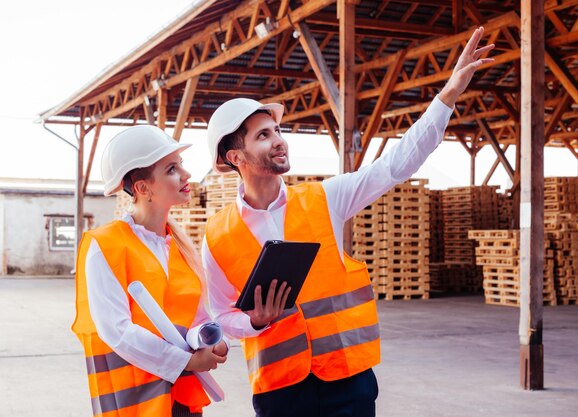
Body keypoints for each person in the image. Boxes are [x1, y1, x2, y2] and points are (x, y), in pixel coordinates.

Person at [202, 27, 494, 417]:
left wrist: (448, 95)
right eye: (263, 135)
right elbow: (220, 315)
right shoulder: (217, 235)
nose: (279, 140)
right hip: (280, 390)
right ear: (236, 158)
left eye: (277, 131)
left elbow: (395, 166)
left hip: (348, 381)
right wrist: (254, 322)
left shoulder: (326, 197)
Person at [72, 125, 228, 417]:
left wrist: (214, 341)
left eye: (180, 165)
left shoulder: (179, 248)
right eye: (171, 169)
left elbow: (195, 317)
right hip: (134, 402)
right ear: (143, 189)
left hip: (180, 398)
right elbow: (115, 330)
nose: (186, 175)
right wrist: (185, 362)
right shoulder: (104, 245)